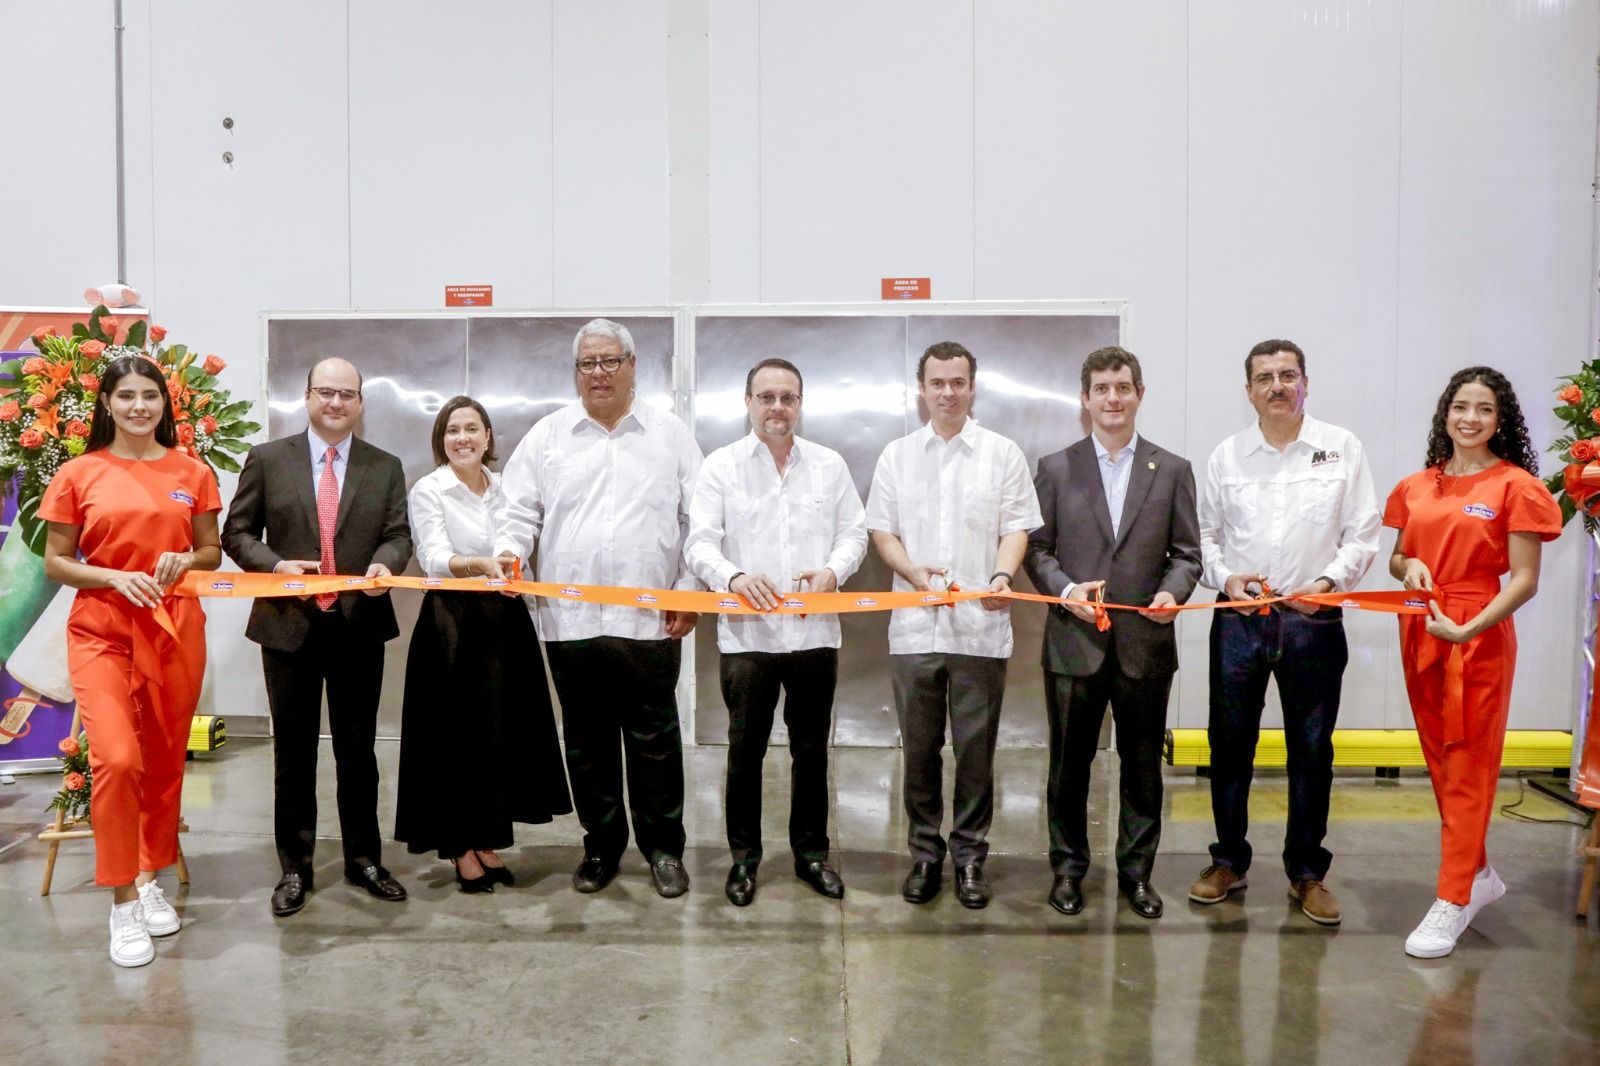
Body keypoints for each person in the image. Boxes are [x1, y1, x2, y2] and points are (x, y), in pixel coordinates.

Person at [497, 318, 703, 898]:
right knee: (586, 744)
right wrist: (510, 555)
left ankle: (664, 849)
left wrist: (689, 588)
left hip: (652, 621)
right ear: (576, 372)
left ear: (633, 366)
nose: (599, 374)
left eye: (610, 361)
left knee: (655, 742)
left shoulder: (670, 435)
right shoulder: (548, 437)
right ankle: (601, 847)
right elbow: (516, 514)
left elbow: (701, 522)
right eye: (588, 363)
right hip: (572, 622)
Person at [40, 355, 221, 967]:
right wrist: (114, 578)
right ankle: (121, 903)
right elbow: (56, 562)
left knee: (165, 759)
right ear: (107, 404)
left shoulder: (192, 472)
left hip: (174, 629)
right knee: (117, 757)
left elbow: (210, 551)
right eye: (127, 396)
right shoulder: (78, 472)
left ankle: (148, 880)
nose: (139, 406)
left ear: (166, 405)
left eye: (150, 395)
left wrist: (184, 562)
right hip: (102, 631)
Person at [1191, 338, 1379, 926]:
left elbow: (1363, 532)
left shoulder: (1340, 448)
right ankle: (1228, 861)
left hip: (1313, 621)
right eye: (1264, 377)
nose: (1277, 385)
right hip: (1241, 621)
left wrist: (1329, 581)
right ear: (1247, 390)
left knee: (1312, 749)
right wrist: (1226, 581)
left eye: (1287, 375)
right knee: (1229, 747)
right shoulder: (1227, 456)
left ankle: (1307, 872)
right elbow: (1204, 538)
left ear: (1305, 383)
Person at [221, 357, 413, 917]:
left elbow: (397, 535)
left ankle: (364, 860)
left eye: (347, 394)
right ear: (307, 397)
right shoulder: (267, 459)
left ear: (360, 403)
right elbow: (236, 533)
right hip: (288, 628)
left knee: (359, 754)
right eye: (326, 392)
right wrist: (274, 564)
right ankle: (295, 868)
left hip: (359, 626)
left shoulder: (385, 466)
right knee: (294, 754)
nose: (336, 403)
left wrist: (384, 564)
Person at [1385, 367, 1560, 957]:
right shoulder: (1417, 486)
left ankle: (1454, 895)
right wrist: (1409, 570)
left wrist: (1470, 628)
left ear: (1500, 420)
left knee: (1469, 765)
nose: (1470, 418)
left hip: (1477, 634)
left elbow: (1527, 580)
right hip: (1422, 627)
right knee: (1440, 763)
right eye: (1461, 406)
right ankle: (1478, 873)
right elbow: (1399, 557)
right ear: (1446, 414)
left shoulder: (1516, 486)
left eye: (1484, 409)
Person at [1024, 346, 1201, 919]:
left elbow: (1188, 554)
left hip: (1144, 645)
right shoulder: (1055, 468)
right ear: (1086, 398)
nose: (1113, 398)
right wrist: (1066, 590)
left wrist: (1176, 590)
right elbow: (1038, 549)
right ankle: (1069, 870)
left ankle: (1137, 873)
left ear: (1139, 394)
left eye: (1123, 387)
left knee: (1143, 767)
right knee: (1068, 766)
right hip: (1074, 644)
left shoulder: (1172, 469)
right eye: (1101, 388)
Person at [865, 340, 1042, 909]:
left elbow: (1017, 527)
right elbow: (882, 532)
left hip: (979, 632)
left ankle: (969, 857)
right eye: (937, 382)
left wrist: (999, 575)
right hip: (914, 629)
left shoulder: (1002, 453)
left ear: (972, 387)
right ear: (922, 389)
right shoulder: (897, 456)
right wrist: (912, 571)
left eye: (958, 382)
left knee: (974, 752)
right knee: (919, 750)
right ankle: (924, 855)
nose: (948, 392)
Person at [684, 358, 867, 906]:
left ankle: (812, 854)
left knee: (811, 752)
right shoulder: (721, 467)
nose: (777, 408)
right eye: (766, 397)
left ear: (800, 404)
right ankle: (744, 859)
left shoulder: (829, 466)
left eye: (787, 397)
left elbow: (854, 533)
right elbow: (699, 544)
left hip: (814, 636)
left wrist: (834, 572)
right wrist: (733, 576)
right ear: (748, 403)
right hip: (748, 639)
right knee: (745, 753)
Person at [393, 396, 572, 892]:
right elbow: (432, 556)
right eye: (453, 431)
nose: (463, 439)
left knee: (498, 736)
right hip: (451, 623)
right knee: (455, 739)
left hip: (505, 622)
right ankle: (459, 847)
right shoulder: (431, 489)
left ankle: (488, 838)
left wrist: (512, 571)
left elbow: (522, 546)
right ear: (441, 440)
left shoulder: (507, 489)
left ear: (488, 437)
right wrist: (481, 564)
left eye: (472, 429)